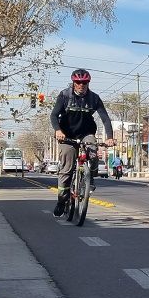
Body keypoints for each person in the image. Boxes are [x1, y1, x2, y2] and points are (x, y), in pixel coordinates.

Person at [49, 69, 115, 216]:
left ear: (88, 83)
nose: (81, 85)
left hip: (86, 133)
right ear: (73, 82)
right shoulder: (65, 95)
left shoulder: (94, 98)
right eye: (78, 82)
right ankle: (61, 200)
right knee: (66, 167)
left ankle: (90, 179)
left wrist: (109, 137)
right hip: (67, 135)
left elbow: (105, 118)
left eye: (84, 82)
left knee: (93, 152)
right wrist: (58, 131)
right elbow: (54, 115)